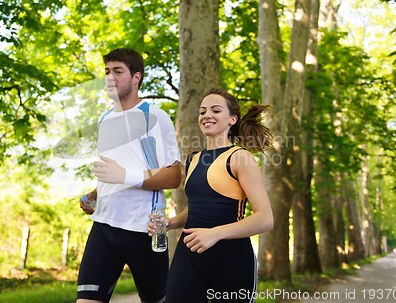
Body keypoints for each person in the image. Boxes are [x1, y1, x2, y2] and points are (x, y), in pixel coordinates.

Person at [149, 88, 274, 303]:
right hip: (189, 254)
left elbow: (265, 218)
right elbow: (197, 208)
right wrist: (170, 223)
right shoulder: (193, 159)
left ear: (232, 120)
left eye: (216, 110)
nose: (207, 115)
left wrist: (214, 234)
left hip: (231, 259)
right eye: (202, 111)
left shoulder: (239, 157)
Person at [77, 48, 181, 303]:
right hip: (104, 226)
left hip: (143, 230)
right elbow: (113, 174)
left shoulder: (154, 117)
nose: (110, 78)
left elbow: (174, 176)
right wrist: (94, 195)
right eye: (107, 72)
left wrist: (124, 176)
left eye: (118, 71)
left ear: (136, 77)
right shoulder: (104, 119)